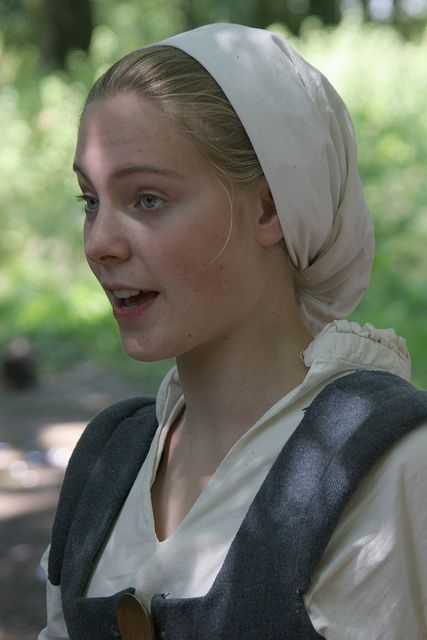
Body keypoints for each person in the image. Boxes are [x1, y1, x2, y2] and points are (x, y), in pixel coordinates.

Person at [38, 23, 427, 639]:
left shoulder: (387, 468)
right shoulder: (108, 463)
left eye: (147, 200)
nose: (100, 244)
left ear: (270, 207)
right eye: (90, 201)